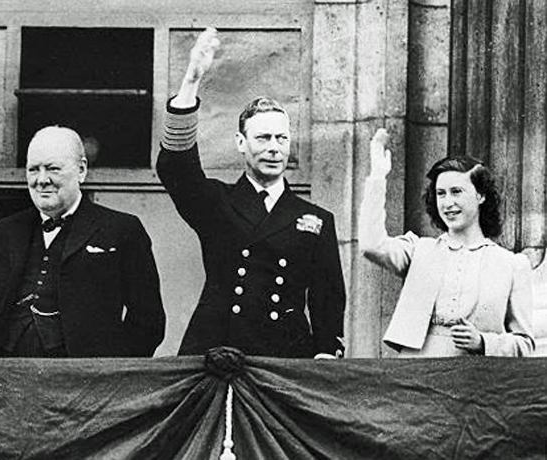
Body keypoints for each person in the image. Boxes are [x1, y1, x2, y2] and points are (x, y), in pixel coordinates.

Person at [156, 28, 346, 358]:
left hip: (285, 355)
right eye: (263, 139)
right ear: (241, 144)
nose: (274, 148)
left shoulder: (316, 219)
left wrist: (327, 354)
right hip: (217, 349)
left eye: (281, 139)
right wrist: (191, 82)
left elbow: (327, 297)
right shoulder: (217, 202)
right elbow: (176, 170)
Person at [0, 126, 165, 357]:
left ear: (81, 170)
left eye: (53, 169)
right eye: (33, 169)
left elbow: (148, 321)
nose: (42, 180)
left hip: (84, 382)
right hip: (8, 376)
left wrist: (113, 375)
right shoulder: (2, 233)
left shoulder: (122, 229)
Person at [360, 129, 534, 357]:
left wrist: (483, 342)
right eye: (441, 193)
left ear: (481, 196)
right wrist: (377, 177)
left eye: (456, 192)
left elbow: (525, 344)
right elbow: (371, 246)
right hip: (416, 371)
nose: (448, 202)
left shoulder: (512, 265)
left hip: (474, 379)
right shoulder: (418, 249)